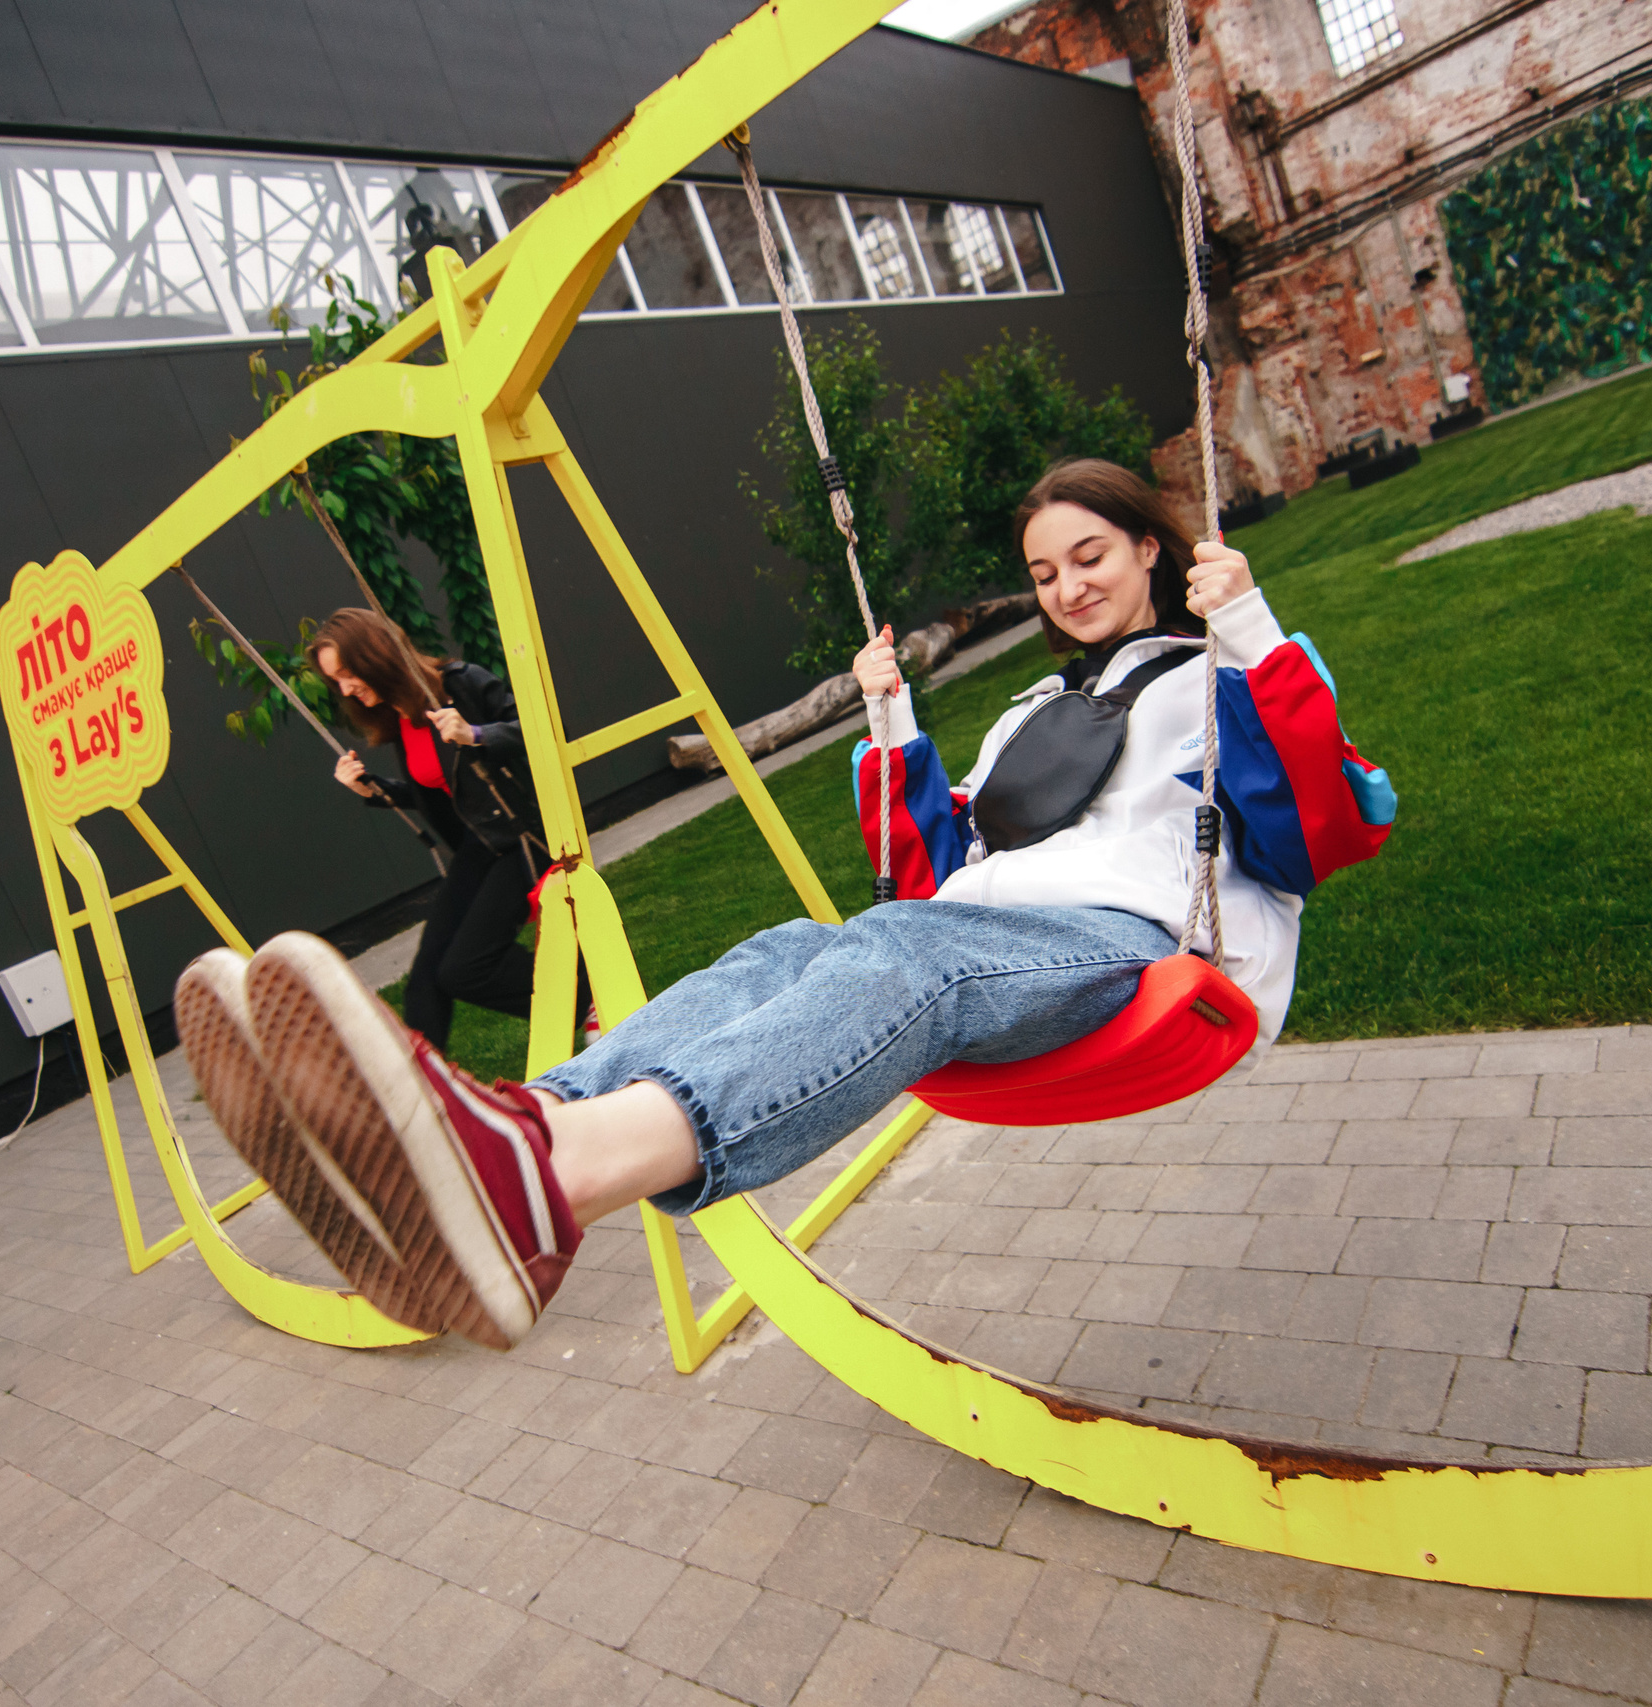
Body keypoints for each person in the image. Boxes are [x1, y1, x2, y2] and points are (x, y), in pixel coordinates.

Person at [180, 460, 1393, 1350]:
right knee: (794, 944)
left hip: (1137, 950)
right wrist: (892, 717)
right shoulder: (1031, 709)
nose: (1067, 587)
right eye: (1043, 572)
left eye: (1092, 557)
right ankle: (521, 1133)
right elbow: (924, 871)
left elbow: (1316, 829)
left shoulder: (1223, 675)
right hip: (991, 934)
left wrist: (1242, 623)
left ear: (1148, 550)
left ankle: (538, 1185)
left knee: (900, 956)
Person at [311, 609, 549, 1051]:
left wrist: (475, 733)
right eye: (335, 681)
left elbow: (544, 732)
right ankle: (425, 1088)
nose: (344, 688)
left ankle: (585, 997)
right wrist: (372, 789)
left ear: (375, 654)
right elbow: (438, 790)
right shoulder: (398, 718)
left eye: (346, 673)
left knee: (465, 970)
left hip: (523, 837)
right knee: (425, 978)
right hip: (480, 848)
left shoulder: (459, 683)